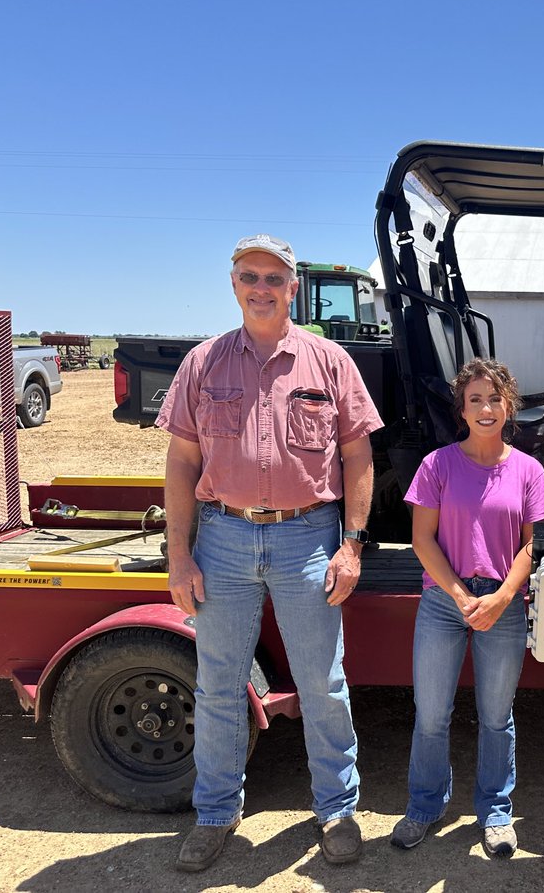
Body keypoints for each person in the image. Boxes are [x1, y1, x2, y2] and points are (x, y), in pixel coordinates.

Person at [158, 233, 383, 872]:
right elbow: (180, 462)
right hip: (222, 537)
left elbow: (358, 455)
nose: (261, 288)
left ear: (293, 288)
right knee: (220, 685)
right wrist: (181, 556)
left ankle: (337, 810)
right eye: (249, 277)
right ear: (234, 286)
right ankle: (215, 814)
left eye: (273, 278)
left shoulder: (330, 362)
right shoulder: (202, 364)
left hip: (308, 536)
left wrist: (353, 545)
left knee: (323, 682)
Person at [391, 358, 544, 858]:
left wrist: (504, 596)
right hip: (445, 600)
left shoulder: (528, 470)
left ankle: (496, 813)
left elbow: (535, 545)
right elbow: (422, 540)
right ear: (462, 408)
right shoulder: (436, 465)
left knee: (495, 716)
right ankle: (424, 806)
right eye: (475, 399)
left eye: (495, 398)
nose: (486, 408)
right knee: (431, 715)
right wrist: (462, 596)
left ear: (510, 406)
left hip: (503, 603)